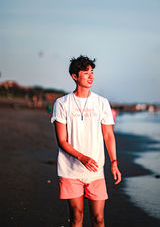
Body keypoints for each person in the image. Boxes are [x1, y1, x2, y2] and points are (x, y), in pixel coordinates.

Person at [51, 55, 121, 227]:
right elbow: (62, 140)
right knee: (77, 216)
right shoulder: (62, 103)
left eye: (92, 72)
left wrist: (114, 162)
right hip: (70, 170)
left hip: (95, 171)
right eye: (85, 72)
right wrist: (82, 158)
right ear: (75, 76)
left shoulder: (102, 103)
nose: (91, 76)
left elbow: (108, 135)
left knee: (98, 218)